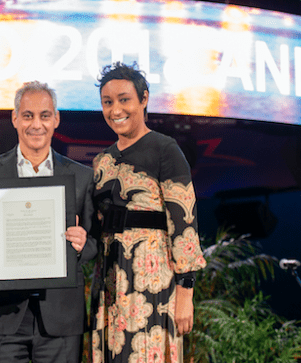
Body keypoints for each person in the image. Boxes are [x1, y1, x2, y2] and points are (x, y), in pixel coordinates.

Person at [0, 81, 97, 363]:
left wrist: (80, 245)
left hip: (62, 318)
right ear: (15, 118)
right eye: (27, 115)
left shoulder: (81, 178)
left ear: (56, 119)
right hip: (3, 312)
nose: (36, 124)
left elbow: (95, 243)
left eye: (44, 115)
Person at [90, 62, 207, 363]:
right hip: (108, 284)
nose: (115, 109)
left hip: (153, 283)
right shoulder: (102, 161)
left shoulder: (165, 149)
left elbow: (184, 223)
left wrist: (185, 296)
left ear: (144, 99)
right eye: (108, 102)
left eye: (124, 99)